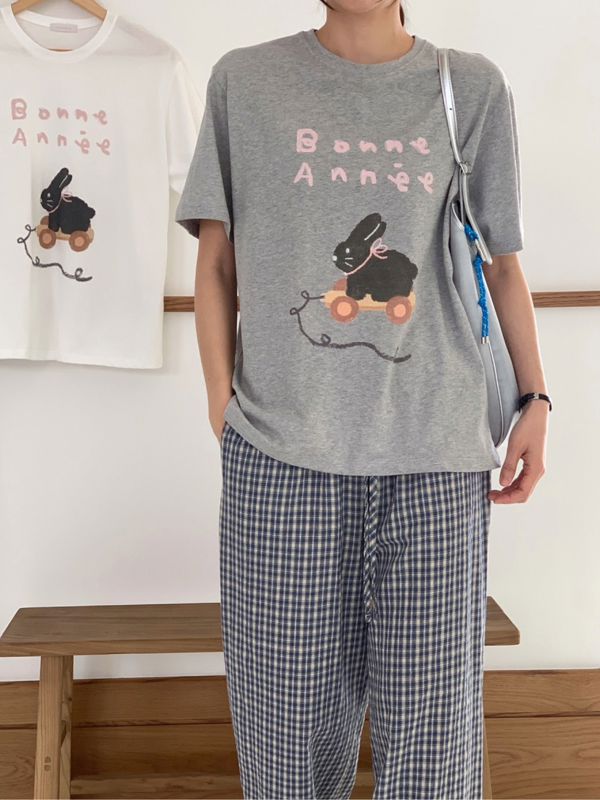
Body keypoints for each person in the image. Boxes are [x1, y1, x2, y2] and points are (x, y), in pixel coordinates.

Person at [175, 1, 550, 797]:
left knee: (434, 757)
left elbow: (501, 262)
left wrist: (536, 400)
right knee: (285, 748)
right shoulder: (246, 82)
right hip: (280, 457)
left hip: (437, 458)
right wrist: (221, 404)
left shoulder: (470, 87)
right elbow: (216, 260)